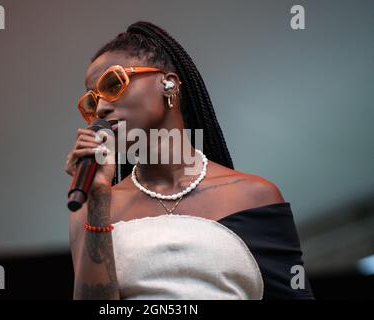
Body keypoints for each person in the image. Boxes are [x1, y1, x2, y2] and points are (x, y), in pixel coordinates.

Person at [65, 21, 314, 300]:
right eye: (91, 101)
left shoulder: (254, 195)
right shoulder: (91, 207)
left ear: (168, 83)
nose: (101, 107)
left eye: (113, 84)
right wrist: (98, 200)